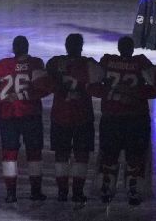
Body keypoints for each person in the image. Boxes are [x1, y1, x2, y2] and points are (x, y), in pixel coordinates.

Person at [0, 35, 51, 203]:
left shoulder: (2, 65)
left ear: (13, 49)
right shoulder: (35, 64)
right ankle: (35, 191)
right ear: (28, 48)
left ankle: (11, 193)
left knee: (9, 154)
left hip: (8, 115)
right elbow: (44, 88)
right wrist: (24, 95)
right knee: (34, 153)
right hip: (30, 114)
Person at [92, 36, 156, 205]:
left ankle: (105, 189)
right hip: (136, 119)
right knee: (135, 157)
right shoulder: (141, 62)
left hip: (111, 118)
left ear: (119, 48)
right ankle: (134, 191)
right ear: (132, 49)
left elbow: (92, 85)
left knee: (108, 157)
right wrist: (136, 93)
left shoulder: (107, 61)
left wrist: (111, 93)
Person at [45, 33, 102, 205]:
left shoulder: (54, 62)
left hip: (60, 115)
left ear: (66, 46)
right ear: (81, 47)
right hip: (82, 115)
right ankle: (77, 192)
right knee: (81, 155)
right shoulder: (89, 64)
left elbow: (47, 77)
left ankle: (62, 192)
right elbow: (100, 78)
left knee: (61, 155)